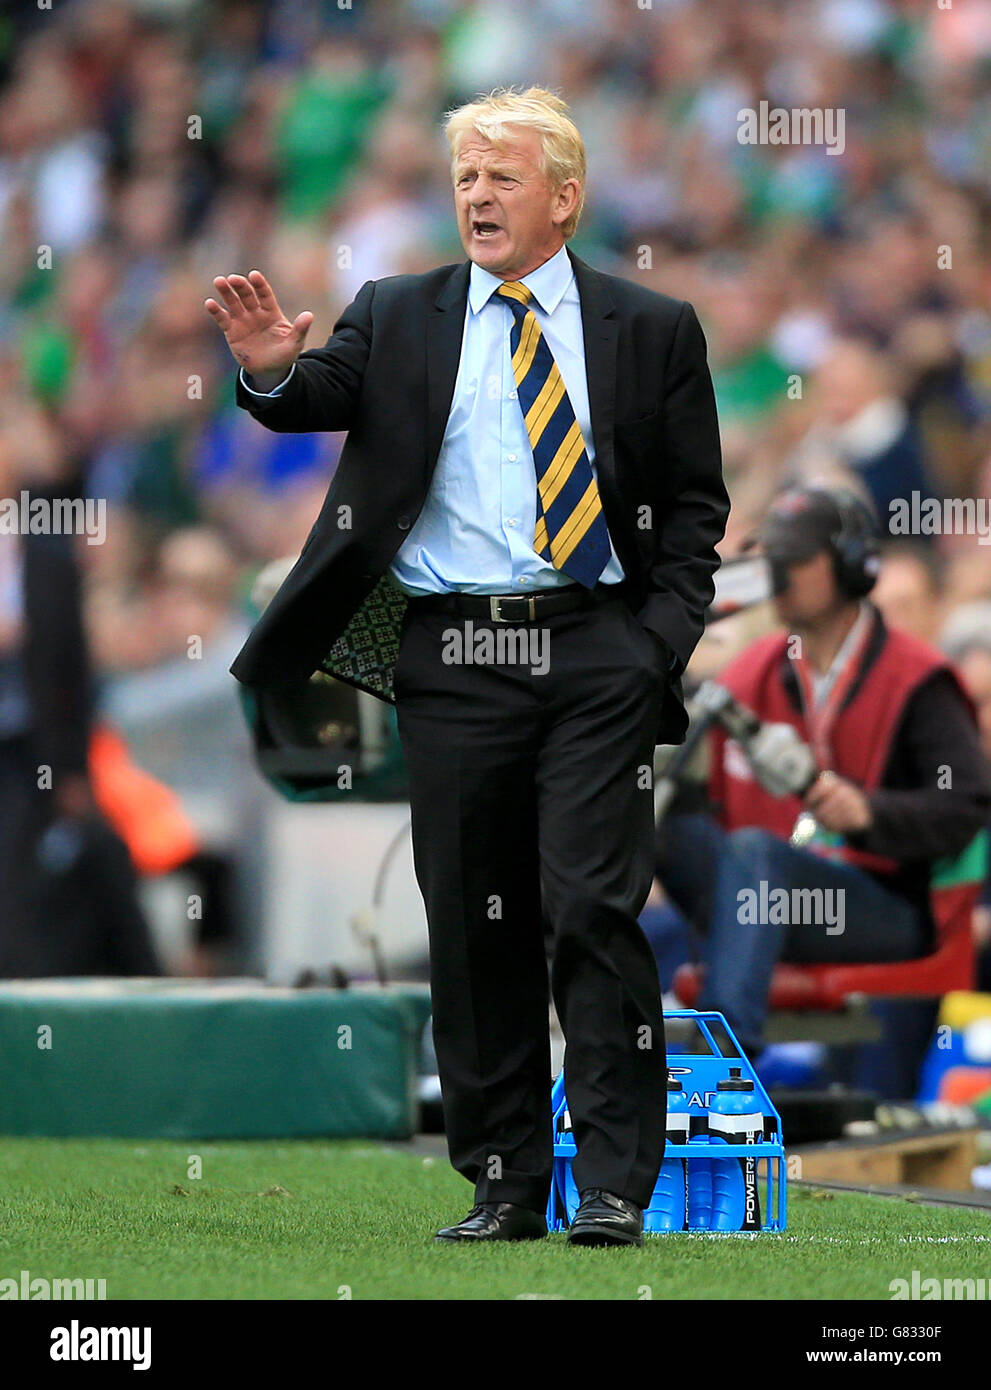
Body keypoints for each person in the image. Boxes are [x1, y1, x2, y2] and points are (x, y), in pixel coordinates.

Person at [206, 87, 728, 1247]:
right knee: (473, 919)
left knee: (592, 906)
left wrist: (655, 644)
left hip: (595, 644)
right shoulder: (396, 312)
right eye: (464, 178)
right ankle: (502, 1179)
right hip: (452, 652)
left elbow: (695, 508)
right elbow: (312, 396)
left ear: (564, 194)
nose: (477, 195)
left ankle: (610, 1183)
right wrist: (268, 373)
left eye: (500, 176)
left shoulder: (653, 326)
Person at [657, 486, 991, 1060]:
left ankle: (721, 1065)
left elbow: (967, 806)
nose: (778, 575)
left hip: (887, 905)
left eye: (794, 561)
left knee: (757, 855)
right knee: (648, 819)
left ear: (848, 567)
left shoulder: (918, 677)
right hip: (769, 895)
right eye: (771, 562)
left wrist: (869, 812)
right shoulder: (759, 666)